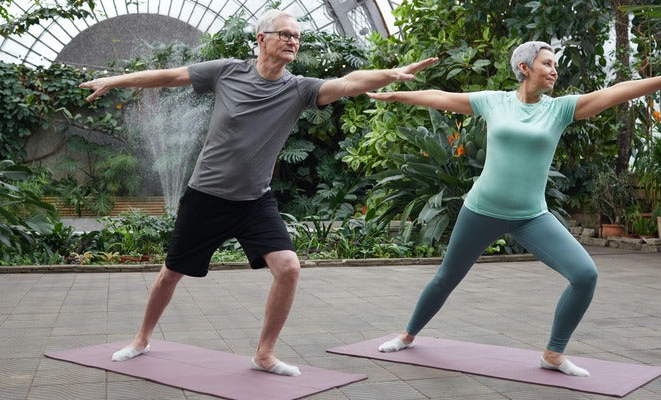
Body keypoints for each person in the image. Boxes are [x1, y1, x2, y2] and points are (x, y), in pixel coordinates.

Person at [79, 9, 437, 377]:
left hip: (254, 200)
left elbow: (347, 82)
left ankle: (264, 354)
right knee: (171, 272)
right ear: (261, 39)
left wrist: (391, 74)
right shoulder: (227, 71)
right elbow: (171, 76)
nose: (292, 41)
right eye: (284, 34)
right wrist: (117, 80)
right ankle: (141, 340)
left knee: (289, 268)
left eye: (296, 37)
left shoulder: (299, 89)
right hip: (206, 195)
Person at [367, 41, 661, 377]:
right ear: (524, 67)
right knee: (446, 278)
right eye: (547, 64)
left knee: (585, 275)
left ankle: (553, 353)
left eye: (555, 65)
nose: (554, 70)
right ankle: (408, 335)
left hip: (531, 216)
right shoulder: (494, 102)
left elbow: (617, 91)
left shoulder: (560, 108)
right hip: (481, 210)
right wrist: (396, 93)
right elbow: (441, 98)